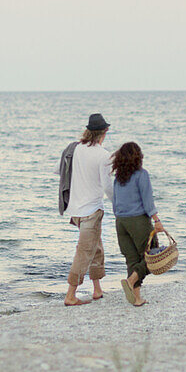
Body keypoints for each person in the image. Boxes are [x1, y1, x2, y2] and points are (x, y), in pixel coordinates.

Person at [59, 113, 113, 306]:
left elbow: (58, 170)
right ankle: (70, 295)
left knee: (96, 248)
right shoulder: (103, 155)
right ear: (104, 132)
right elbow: (107, 187)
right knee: (84, 252)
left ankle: (97, 289)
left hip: (76, 210)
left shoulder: (74, 149)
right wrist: (117, 204)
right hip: (92, 210)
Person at [110, 142, 164, 307]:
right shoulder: (142, 174)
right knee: (152, 256)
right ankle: (132, 280)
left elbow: (115, 202)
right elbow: (148, 201)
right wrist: (156, 220)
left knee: (132, 260)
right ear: (138, 157)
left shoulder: (118, 178)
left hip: (120, 222)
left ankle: (136, 298)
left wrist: (121, 218)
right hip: (138, 221)